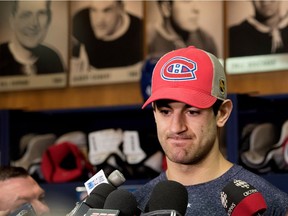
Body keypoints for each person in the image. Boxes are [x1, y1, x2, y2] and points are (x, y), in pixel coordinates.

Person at [133, 46, 288, 215]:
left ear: (222, 113)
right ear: (154, 113)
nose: (176, 127)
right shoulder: (137, 205)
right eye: (165, 112)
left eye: (192, 112)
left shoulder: (270, 205)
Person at [71, 1, 143, 70]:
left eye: (107, 10)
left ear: (121, 8)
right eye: (93, 10)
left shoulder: (140, 31)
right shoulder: (80, 21)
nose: (99, 21)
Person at [0, 0, 65, 76]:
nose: (34, 23)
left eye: (41, 13)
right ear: (12, 20)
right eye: (26, 15)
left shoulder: (53, 59)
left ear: (49, 20)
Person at [147, 1, 218, 58]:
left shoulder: (206, 40)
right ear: (166, 8)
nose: (197, 8)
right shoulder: (148, 39)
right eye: (187, 1)